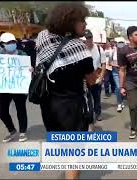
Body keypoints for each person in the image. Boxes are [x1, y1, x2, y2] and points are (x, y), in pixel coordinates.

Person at [35, 3, 99, 179]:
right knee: (75, 155)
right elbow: (91, 80)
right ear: (69, 22)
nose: (85, 25)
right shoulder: (80, 49)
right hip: (72, 108)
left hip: (48, 106)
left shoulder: (42, 38)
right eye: (82, 21)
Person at [0, 32, 30, 142]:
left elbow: (28, 68)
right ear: (2, 44)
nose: (11, 44)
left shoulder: (22, 54)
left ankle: (22, 132)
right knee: (1, 111)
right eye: (8, 43)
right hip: (3, 88)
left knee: (21, 110)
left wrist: (30, 70)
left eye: (13, 42)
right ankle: (11, 130)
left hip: (18, 88)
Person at [82, 29, 106, 125]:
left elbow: (104, 64)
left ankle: (98, 113)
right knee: (87, 99)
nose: (89, 40)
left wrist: (101, 77)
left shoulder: (100, 49)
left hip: (96, 77)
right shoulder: (82, 50)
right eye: (87, 38)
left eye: (90, 38)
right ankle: (89, 115)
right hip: (85, 78)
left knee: (97, 98)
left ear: (92, 38)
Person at [108, 40, 125, 112]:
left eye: (122, 45)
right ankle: (119, 103)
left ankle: (122, 101)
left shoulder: (125, 52)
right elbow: (109, 63)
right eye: (119, 44)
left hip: (124, 72)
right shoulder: (113, 52)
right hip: (115, 72)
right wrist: (116, 65)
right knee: (118, 87)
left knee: (123, 88)